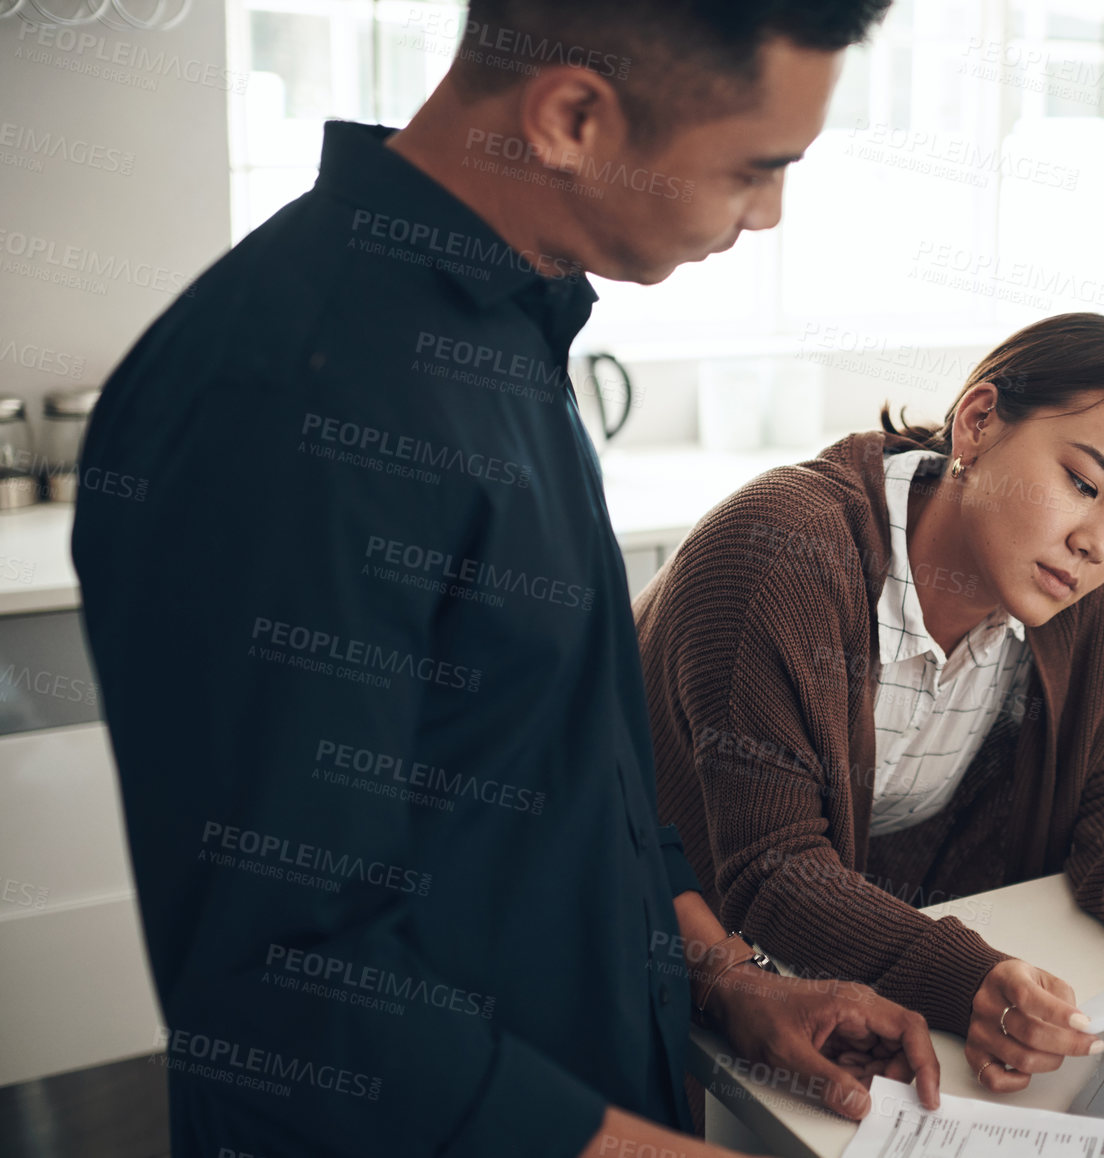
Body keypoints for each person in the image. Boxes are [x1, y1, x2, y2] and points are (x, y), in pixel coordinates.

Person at [71, 3, 939, 1156]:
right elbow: (283, 969)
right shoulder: (291, 394)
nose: (768, 214)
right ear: (572, 115)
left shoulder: (506, 323)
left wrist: (725, 977)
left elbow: (568, 765)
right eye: (755, 167)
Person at [636, 312, 1104, 1094]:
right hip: (666, 948)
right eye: (1082, 484)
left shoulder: (1066, 590)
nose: (1098, 542)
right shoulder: (785, 553)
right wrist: (969, 979)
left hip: (845, 964)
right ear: (979, 421)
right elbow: (774, 868)